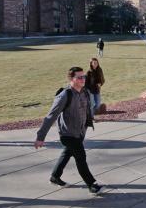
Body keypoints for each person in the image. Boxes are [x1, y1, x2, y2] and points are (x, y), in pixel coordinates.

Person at [34, 67, 103, 195]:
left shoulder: (84, 92)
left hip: (80, 132)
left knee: (67, 154)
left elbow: (86, 110)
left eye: (84, 77)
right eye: (79, 77)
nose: (83, 79)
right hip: (68, 134)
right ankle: (91, 184)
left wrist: (88, 123)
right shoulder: (65, 95)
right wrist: (40, 136)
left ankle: (55, 176)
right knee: (81, 157)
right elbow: (51, 116)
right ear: (71, 79)